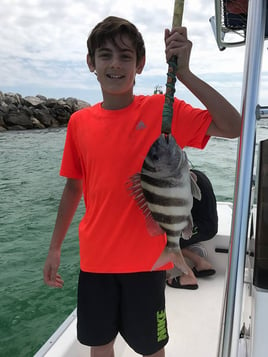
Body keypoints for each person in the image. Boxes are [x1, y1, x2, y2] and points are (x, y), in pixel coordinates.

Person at [43, 16, 241, 357]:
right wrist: (55, 248)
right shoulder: (79, 122)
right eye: (105, 55)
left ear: (140, 65)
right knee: (99, 345)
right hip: (95, 263)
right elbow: (73, 188)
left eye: (125, 56)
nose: (115, 64)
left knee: (151, 348)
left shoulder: (162, 111)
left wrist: (185, 74)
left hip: (146, 263)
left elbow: (233, 125)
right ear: (91, 63)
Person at [167, 169, 218, 290]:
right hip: (209, 224)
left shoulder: (183, 184)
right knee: (176, 237)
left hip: (202, 227)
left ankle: (188, 276)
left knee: (165, 242)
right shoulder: (196, 174)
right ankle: (201, 264)